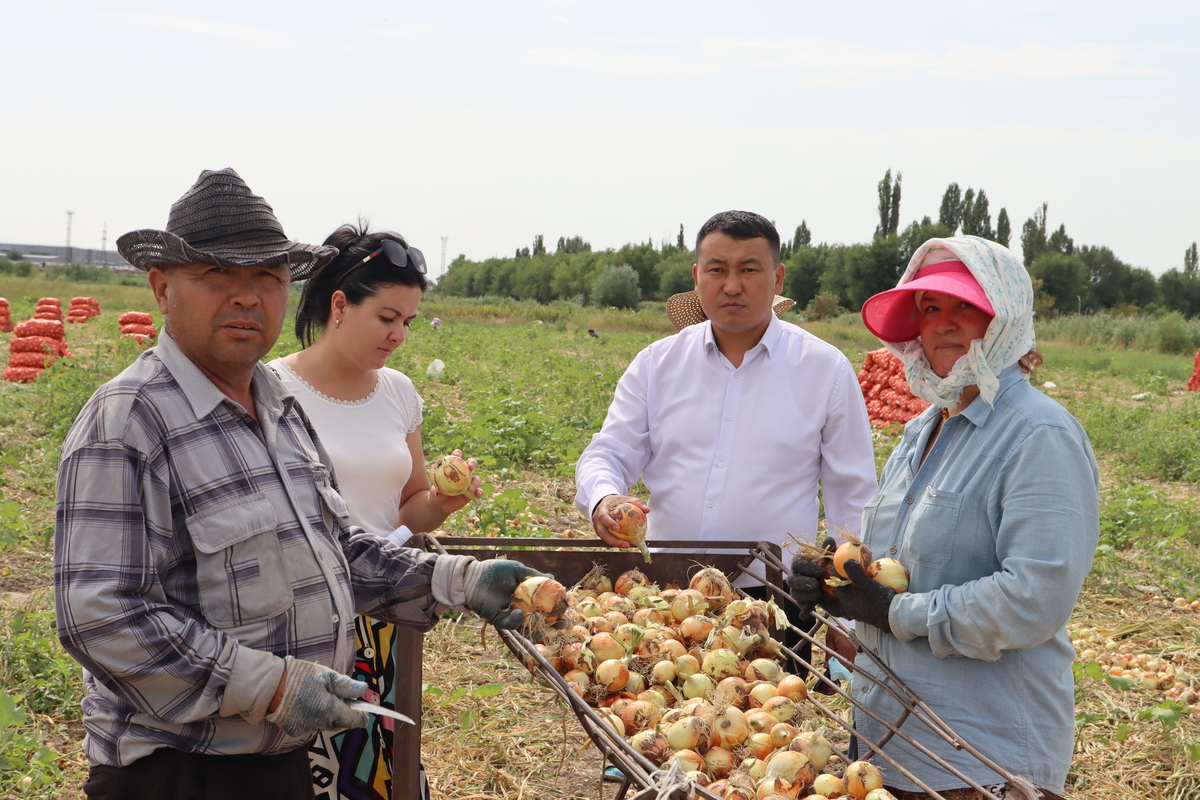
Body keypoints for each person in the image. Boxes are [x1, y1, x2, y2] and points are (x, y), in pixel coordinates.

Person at [54, 168, 543, 800]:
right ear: (161, 287)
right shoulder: (128, 420)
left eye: (266, 277)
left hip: (276, 760)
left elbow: (335, 552)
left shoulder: (279, 406)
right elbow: (99, 617)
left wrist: (456, 580)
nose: (246, 297)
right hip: (176, 772)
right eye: (215, 276)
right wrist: (272, 687)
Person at [788, 236, 1099, 798]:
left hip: (979, 759)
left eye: (966, 308)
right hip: (889, 739)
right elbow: (901, 566)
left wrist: (896, 612)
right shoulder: (922, 428)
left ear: (1005, 321)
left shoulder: (1039, 435)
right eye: (931, 308)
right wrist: (835, 583)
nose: (943, 324)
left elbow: (1035, 599)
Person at [267, 223, 478, 800]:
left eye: (407, 321)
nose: (399, 335)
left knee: (380, 761)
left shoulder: (398, 392)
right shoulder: (273, 391)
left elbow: (409, 508)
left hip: (384, 617)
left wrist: (442, 502)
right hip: (301, 618)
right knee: (307, 766)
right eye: (387, 317)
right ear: (340, 303)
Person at [574, 209, 877, 607]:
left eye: (749, 270)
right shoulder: (656, 364)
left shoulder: (824, 370)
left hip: (774, 597)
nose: (732, 285)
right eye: (717, 270)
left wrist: (847, 614)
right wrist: (603, 499)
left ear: (778, 278)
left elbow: (852, 497)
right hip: (664, 594)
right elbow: (609, 452)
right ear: (697, 277)